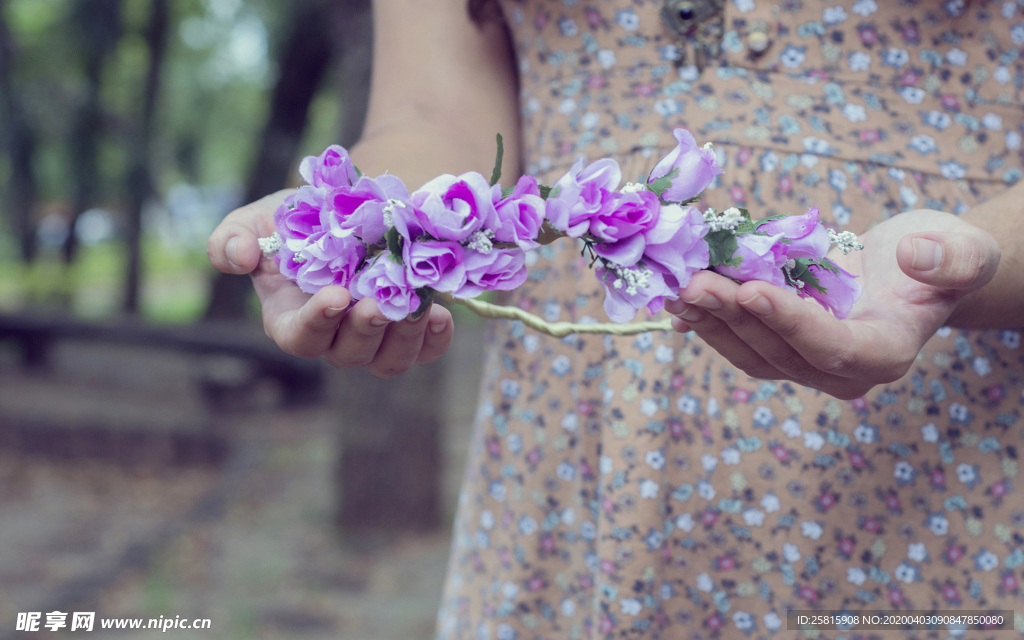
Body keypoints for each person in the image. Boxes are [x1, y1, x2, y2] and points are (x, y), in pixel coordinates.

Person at [208, 0, 1024, 637]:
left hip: (935, 464)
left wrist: (957, 265)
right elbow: (434, 110)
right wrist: (363, 231)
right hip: (566, 473)